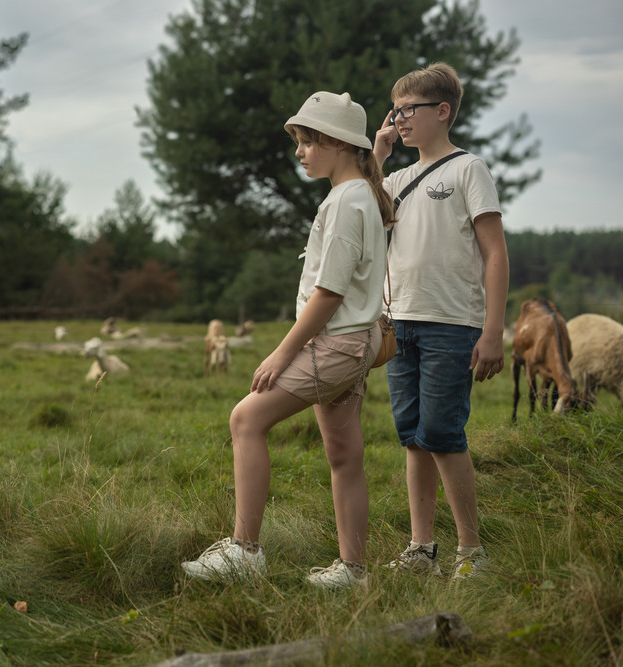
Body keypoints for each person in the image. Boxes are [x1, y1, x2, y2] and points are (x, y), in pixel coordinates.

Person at [181, 91, 394, 589]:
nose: (299, 151)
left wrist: (283, 351)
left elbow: (329, 292)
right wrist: (378, 153)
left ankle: (244, 551)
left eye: (306, 141)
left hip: (336, 343)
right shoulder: (360, 191)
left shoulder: (346, 201)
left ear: (337, 143)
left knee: (245, 418)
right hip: (358, 342)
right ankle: (354, 571)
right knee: (344, 455)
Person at [371, 62, 508, 579]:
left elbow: (495, 253)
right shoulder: (398, 177)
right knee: (412, 436)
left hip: (452, 325)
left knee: (443, 434)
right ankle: (421, 549)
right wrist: (379, 155)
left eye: (409, 110)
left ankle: (471, 552)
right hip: (397, 324)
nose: (400, 119)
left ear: (442, 111)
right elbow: (361, 213)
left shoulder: (467, 169)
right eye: (396, 111)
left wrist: (493, 330)